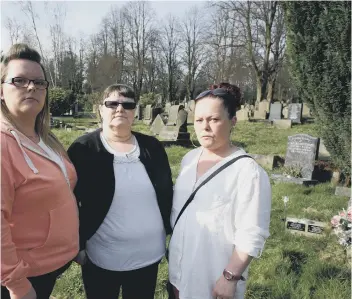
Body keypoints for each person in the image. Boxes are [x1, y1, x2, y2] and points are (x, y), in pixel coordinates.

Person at [67, 84, 173, 299]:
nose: (120, 109)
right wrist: (76, 244)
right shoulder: (84, 149)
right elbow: (69, 203)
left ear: (135, 110)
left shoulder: (153, 147)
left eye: (127, 104)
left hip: (148, 256)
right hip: (102, 257)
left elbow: (166, 194)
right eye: (112, 104)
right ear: (100, 109)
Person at [168, 83, 272, 299]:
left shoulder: (247, 171)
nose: (204, 127)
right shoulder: (189, 159)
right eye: (199, 120)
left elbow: (251, 233)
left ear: (232, 121)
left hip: (214, 281)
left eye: (214, 119)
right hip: (178, 275)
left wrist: (229, 278)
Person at [1, 44, 79, 299]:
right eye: (19, 81)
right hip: (23, 277)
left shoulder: (45, 138)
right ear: (1, 90)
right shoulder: (3, 144)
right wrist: (17, 285)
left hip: (49, 267)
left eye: (38, 82)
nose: (31, 87)